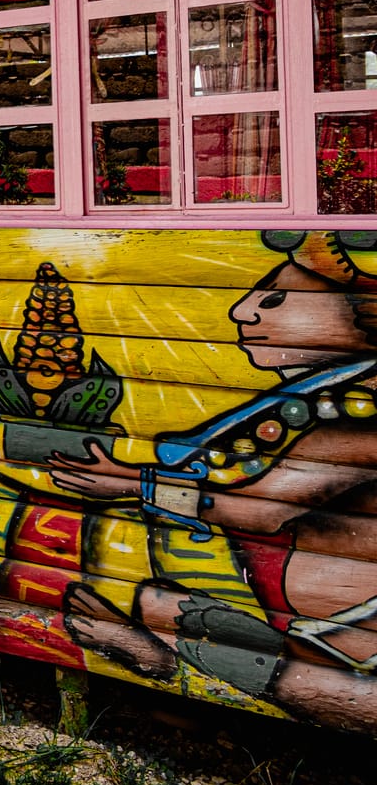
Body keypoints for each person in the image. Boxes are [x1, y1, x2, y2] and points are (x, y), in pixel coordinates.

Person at [46, 230, 377, 730]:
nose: (243, 311)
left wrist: (138, 485)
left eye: (275, 300)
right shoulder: (319, 400)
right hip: (297, 622)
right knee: (161, 602)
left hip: (351, 635)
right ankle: (172, 669)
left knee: (304, 679)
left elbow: (262, 510)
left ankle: (204, 671)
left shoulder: (359, 418)